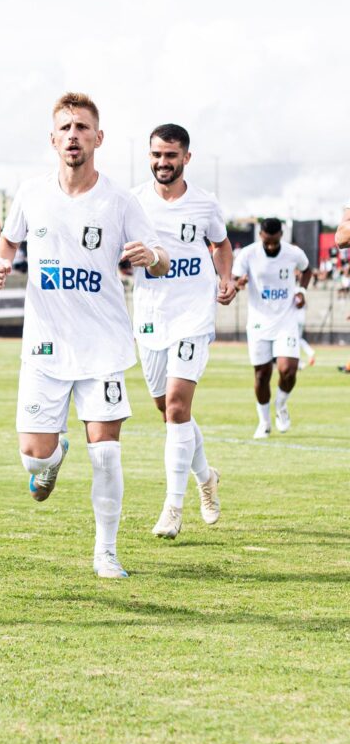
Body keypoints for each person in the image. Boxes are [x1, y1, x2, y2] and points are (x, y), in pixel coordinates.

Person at [0, 92, 168, 579]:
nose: (74, 135)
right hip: (44, 345)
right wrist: (1, 260)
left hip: (104, 344)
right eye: (65, 128)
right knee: (33, 458)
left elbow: (160, 254)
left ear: (98, 138)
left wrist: (151, 257)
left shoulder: (120, 200)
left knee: (106, 451)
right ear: (53, 139)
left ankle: (105, 552)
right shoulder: (31, 193)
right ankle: (52, 458)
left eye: (82, 128)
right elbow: (7, 238)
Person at [131, 124, 236, 540]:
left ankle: (173, 508)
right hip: (150, 317)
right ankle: (206, 475)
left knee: (177, 404)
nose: (162, 163)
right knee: (167, 410)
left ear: (186, 158)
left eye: (170, 156)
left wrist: (225, 278)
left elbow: (221, 245)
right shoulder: (134, 202)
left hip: (193, 316)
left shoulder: (205, 204)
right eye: (156, 155)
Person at [232, 218, 311, 438]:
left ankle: (281, 405)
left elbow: (306, 270)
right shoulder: (248, 254)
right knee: (262, 374)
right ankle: (264, 422)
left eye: (274, 241)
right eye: (267, 241)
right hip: (259, 321)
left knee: (288, 369)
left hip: (286, 319)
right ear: (261, 236)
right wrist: (239, 284)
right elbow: (235, 279)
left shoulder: (294, 253)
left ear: (280, 235)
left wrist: (301, 291)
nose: (271, 246)